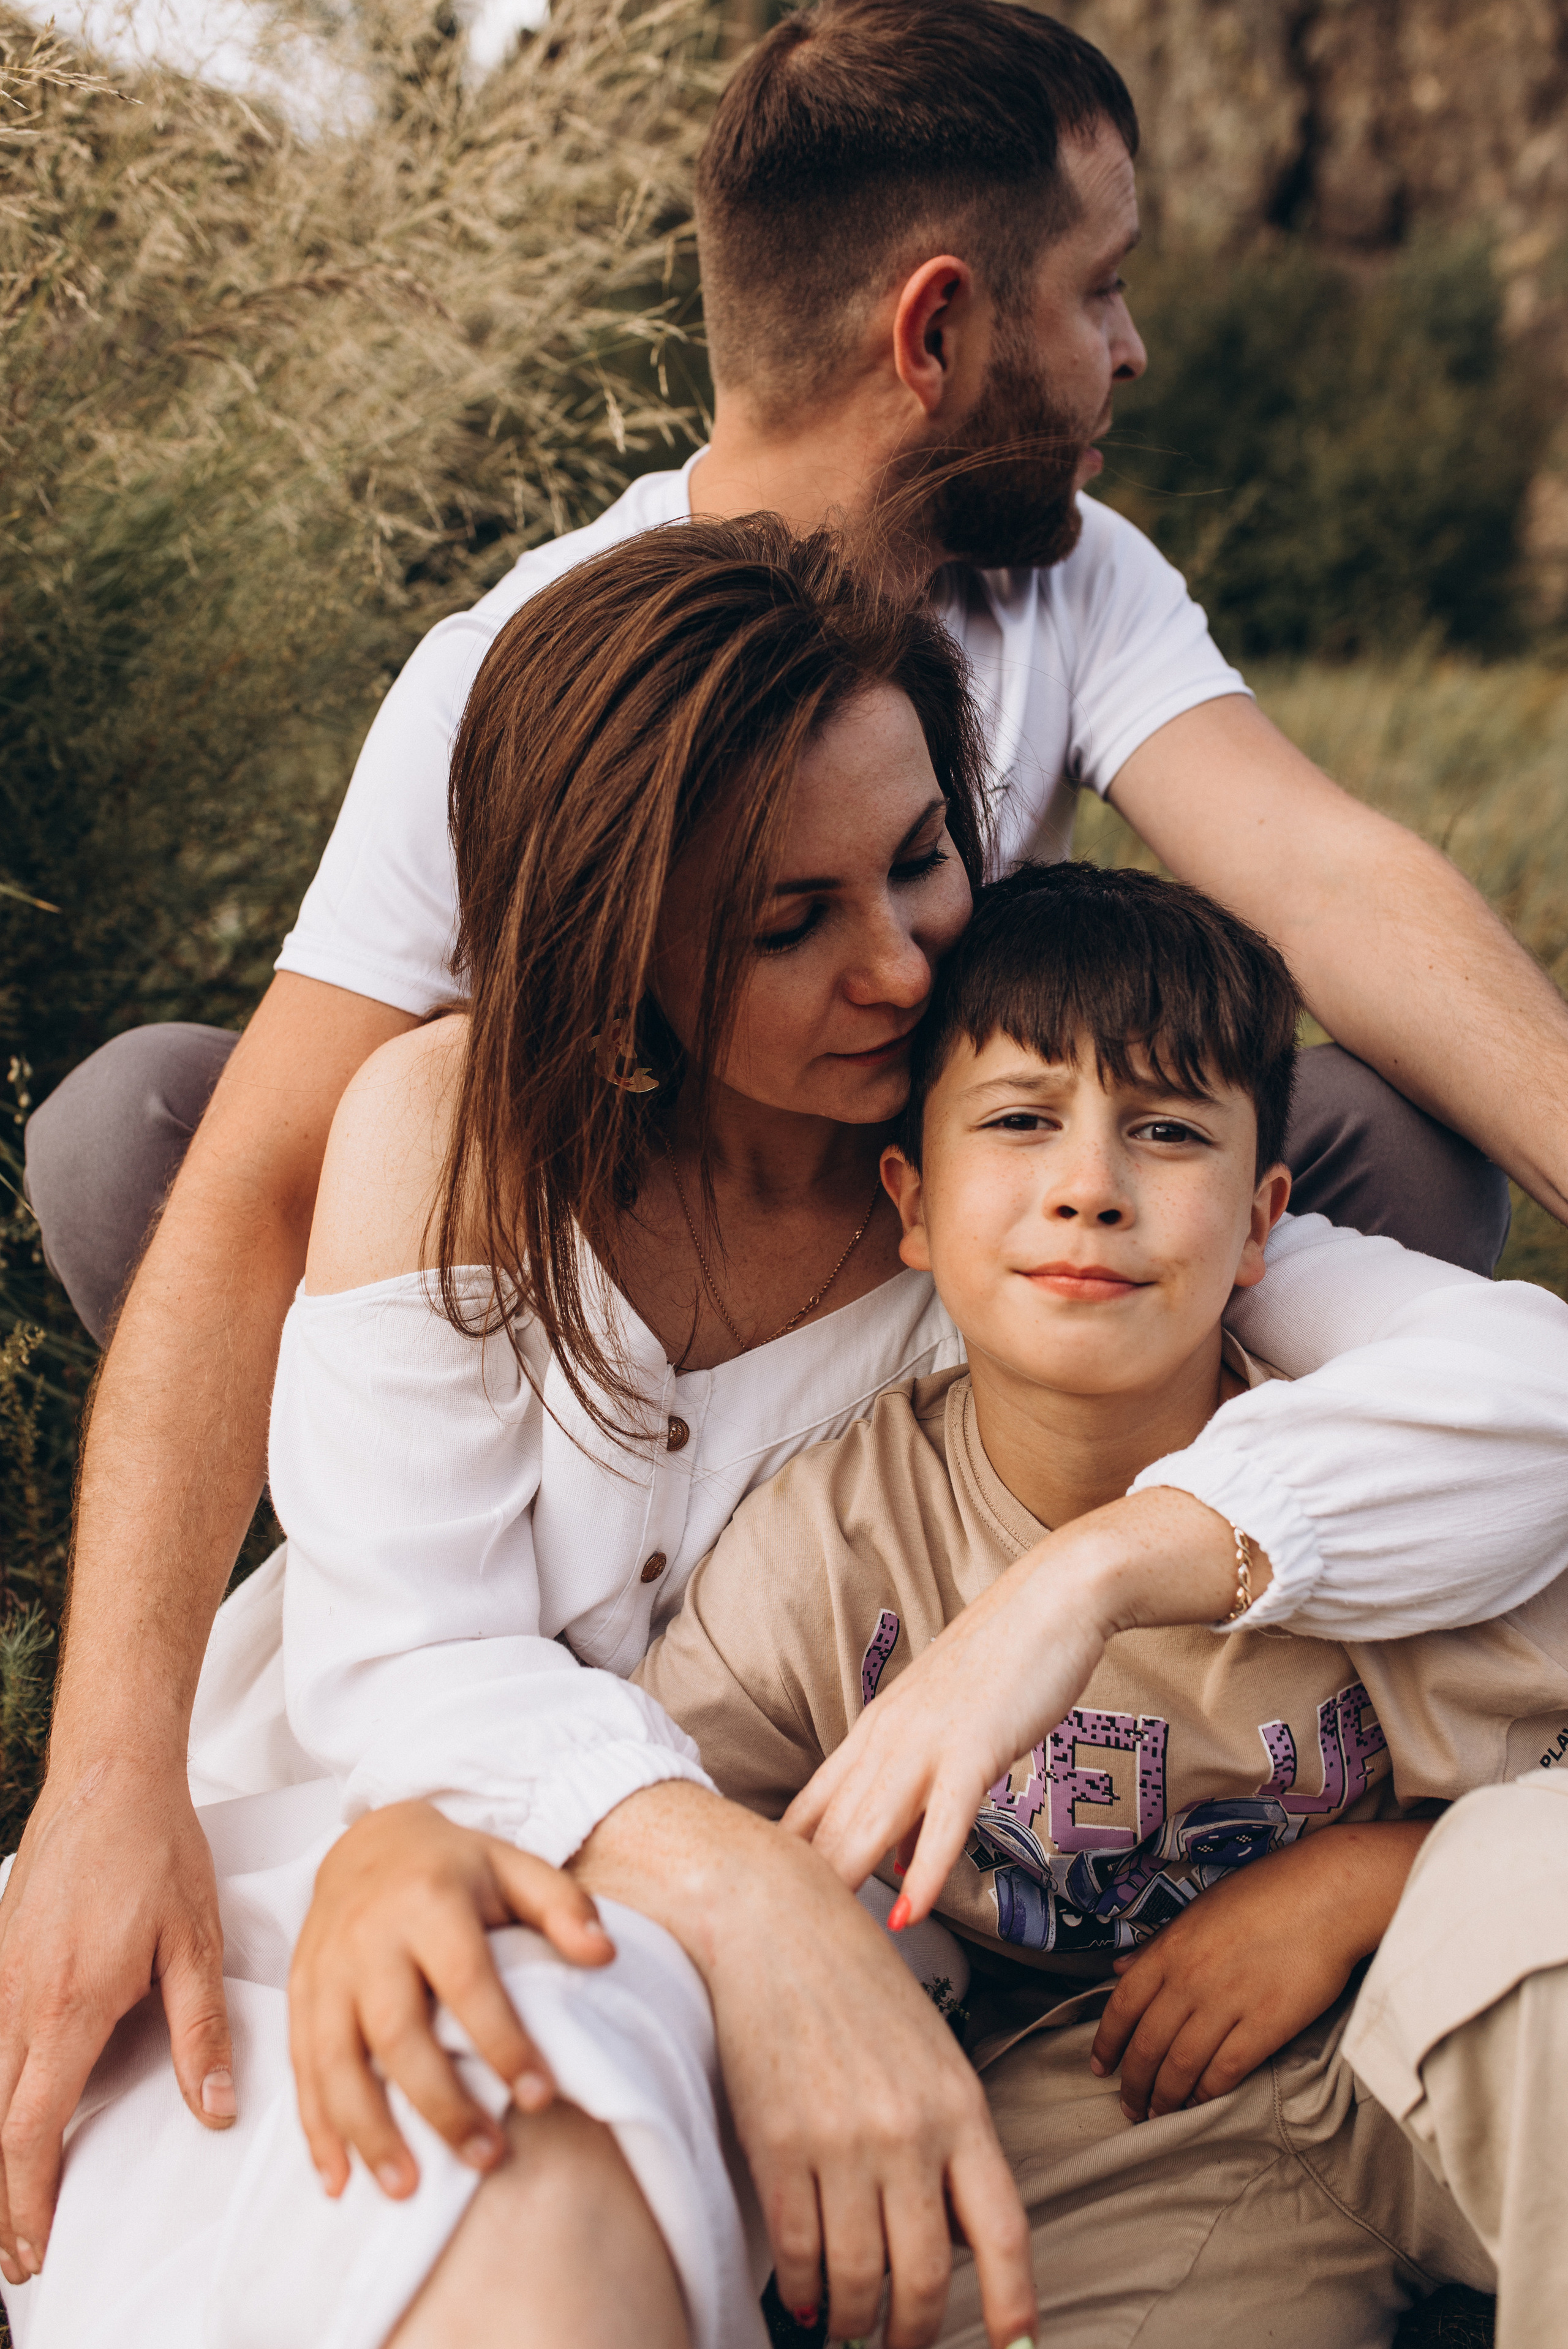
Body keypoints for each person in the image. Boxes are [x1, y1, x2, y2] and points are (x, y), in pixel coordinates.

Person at [6, 0, 1568, 2316]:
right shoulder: (526, 696)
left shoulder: (1054, 627)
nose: (1131, 346)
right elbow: (247, 1201)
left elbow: (1330, 882)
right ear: (938, 328)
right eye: (1101, 288)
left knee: (1308, 1136)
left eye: (929, 862)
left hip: (903, 1398)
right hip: (550, 1508)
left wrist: (1105, 1559)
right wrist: (107, 1768)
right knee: (163, 1119)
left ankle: (1286, 1678)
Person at [637, 859, 1568, 2347]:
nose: (1088, 1185)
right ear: (911, 1203)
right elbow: (658, 1827)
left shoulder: (1395, 1460)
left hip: (1454, 1997)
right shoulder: (833, 1544)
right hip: (1122, 2102)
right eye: (1019, 1120)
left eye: (1166, 1129)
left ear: (1260, 1223)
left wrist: (1361, 1882)